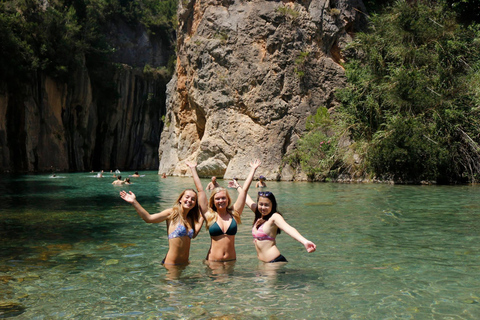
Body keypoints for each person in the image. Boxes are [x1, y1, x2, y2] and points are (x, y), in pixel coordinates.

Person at [119, 165, 205, 265]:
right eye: (187, 197)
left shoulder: (190, 219)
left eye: (193, 199)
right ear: (180, 199)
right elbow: (149, 218)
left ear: (195, 203)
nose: (189, 200)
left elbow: (192, 235)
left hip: (185, 264)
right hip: (171, 265)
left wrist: (202, 217)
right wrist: (134, 202)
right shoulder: (172, 213)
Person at [191, 160, 261, 262]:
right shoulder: (209, 215)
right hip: (213, 262)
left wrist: (253, 170)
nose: (221, 201)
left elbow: (244, 191)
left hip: (231, 262)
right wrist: (193, 169)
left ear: (228, 199)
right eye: (217, 199)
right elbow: (200, 191)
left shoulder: (234, 214)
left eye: (223, 198)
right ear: (213, 201)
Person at [239, 189, 316, 263]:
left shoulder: (275, 217)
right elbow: (245, 198)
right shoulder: (259, 214)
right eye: (261, 204)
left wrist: (304, 241)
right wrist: (237, 187)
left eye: (266, 205)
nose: (263, 207)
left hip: (274, 262)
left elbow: (288, 228)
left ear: (272, 205)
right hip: (265, 263)